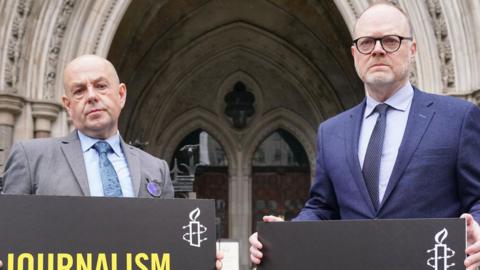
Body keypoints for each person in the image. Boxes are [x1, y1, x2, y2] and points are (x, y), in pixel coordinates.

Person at [249, 3, 480, 269]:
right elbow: (322, 209)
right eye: (367, 42)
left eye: (391, 41)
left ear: (412, 49)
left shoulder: (458, 118)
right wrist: (284, 236)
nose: (378, 50)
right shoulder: (332, 131)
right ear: (355, 53)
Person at [0, 54, 222, 269]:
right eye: (79, 91)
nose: (91, 96)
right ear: (68, 105)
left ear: (121, 94)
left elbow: (168, 246)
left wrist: (198, 258)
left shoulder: (156, 169)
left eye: (100, 86)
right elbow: (8, 234)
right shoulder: (31, 157)